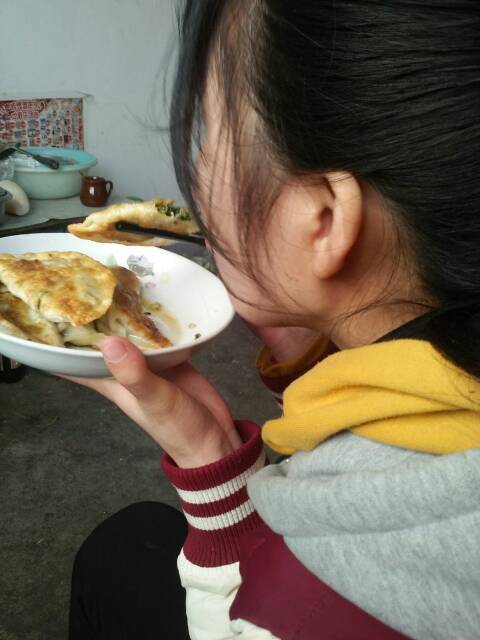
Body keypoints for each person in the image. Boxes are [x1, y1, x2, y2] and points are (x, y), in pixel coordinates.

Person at [68, 1, 480, 638]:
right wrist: (309, 350)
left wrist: (210, 467)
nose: (195, 174)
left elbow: (246, 618)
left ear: (324, 218)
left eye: (211, 135)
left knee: (116, 551)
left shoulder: (324, 598)